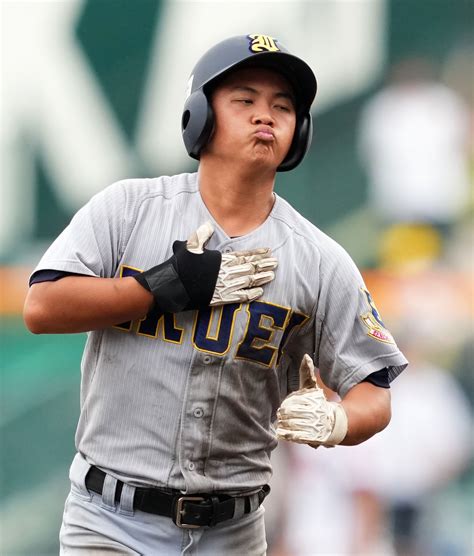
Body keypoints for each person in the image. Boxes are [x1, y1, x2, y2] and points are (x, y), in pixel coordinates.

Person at [23, 34, 408, 555]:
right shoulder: (129, 209)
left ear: (300, 132)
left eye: (283, 106)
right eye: (244, 100)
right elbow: (42, 307)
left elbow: (374, 391)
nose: (265, 116)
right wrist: (160, 288)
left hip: (233, 531)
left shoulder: (320, 260)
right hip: (109, 521)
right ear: (200, 115)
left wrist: (338, 420)